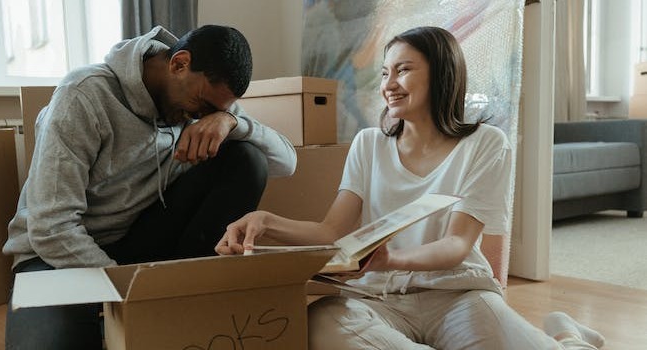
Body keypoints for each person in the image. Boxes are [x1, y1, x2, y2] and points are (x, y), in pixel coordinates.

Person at [216, 26, 604, 350]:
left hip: (458, 296)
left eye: (403, 70)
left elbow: (456, 246)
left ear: (442, 74)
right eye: (385, 73)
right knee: (320, 322)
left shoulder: (486, 144)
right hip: (376, 298)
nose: (389, 85)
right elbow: (331, 232)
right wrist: (265, 221)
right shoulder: (368, 144)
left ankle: (567, 334)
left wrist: (392, 259)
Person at [3, 25, 296, 349]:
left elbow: (286, 162)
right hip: (54, 254)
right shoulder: (83, 95)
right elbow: (50, 226)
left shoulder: (205, 103)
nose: (201, 117)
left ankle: (185, 297)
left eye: (214, 111)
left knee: (248, 159)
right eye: (202, 105)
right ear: (179, 64)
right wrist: (124, 290)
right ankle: (115, 313)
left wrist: (231, 122)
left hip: (136, 238)